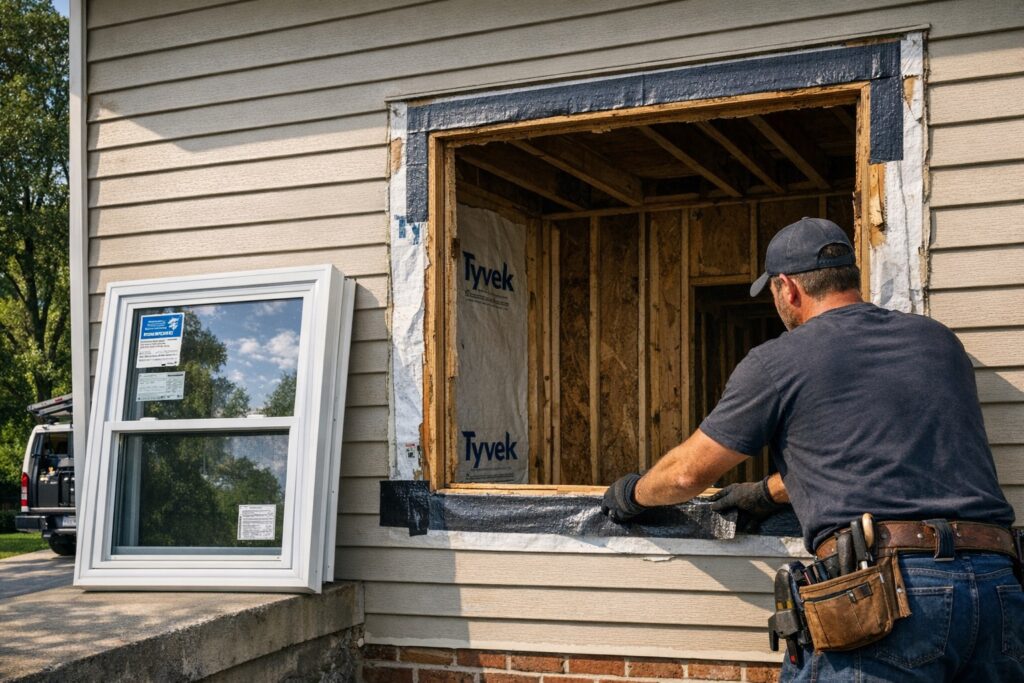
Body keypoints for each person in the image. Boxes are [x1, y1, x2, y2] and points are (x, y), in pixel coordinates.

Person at [601, 217, 1023, 681]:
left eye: (775, 293)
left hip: (890, 597)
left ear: (788, 288)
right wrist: (767, 493)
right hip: (997, 588)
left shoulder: (778, 361)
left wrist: (631, 495)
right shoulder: (937, 340)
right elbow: (877, 453)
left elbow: (687, 474)